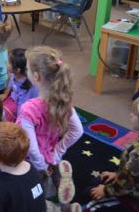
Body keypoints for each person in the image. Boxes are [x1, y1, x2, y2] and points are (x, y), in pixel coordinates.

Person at [16, 46, 83, 205]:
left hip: (32, 161)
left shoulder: (29, 108)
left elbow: (31, 147)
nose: (26, 71)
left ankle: (48, 191)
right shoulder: (64, 100)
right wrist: (58, 151)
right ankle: (57, 176)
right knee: (50, 168)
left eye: (27, 69)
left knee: (27, 192)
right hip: (50, 152)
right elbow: (78, 131)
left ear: (36, 76)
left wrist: (42, 166)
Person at [0, 48, 38, 122]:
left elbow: (22, 109)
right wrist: (5, 95)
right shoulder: (14, 74)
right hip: (15, 98)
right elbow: (11, 86)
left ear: (17, 70)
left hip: (22, 107)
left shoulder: (26, 88)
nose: (6, 62)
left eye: (9, 62)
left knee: (4, 114)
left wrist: (17, 122)